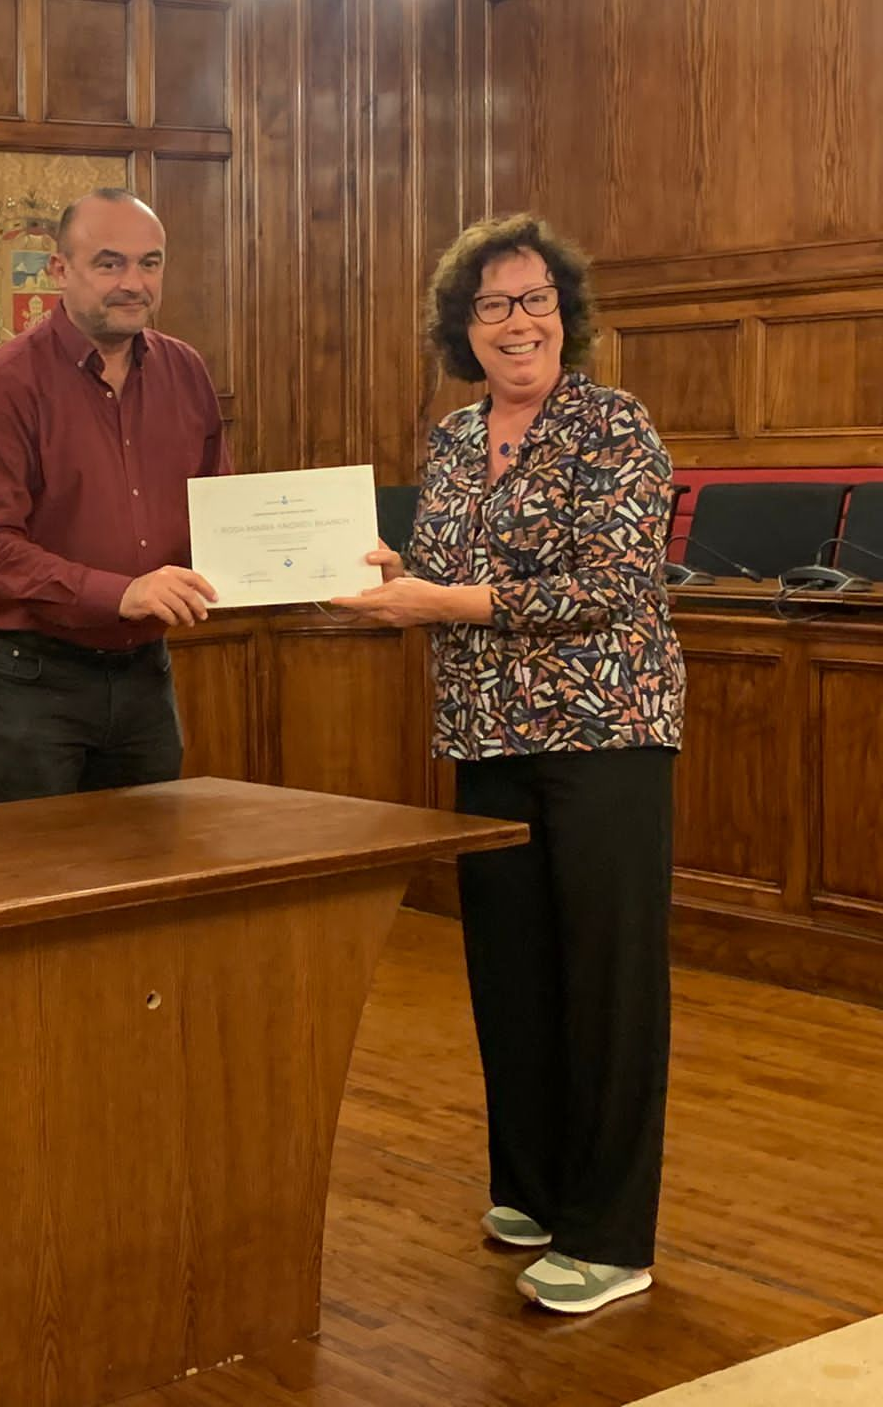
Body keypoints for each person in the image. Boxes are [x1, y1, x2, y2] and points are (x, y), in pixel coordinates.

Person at [332, 212, 684, 1316]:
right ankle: (531, 1188)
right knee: (511, 971)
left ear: (565, 319)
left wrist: (446, 600)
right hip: (484, 734)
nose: (516, 322)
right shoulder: (448, 438)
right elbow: (434, 569)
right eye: (492, 306)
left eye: (534, 301)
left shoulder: (611, 425)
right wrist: (386, 575)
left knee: (607, 984)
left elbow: (612, 585)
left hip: (603, 733)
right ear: (462, 327)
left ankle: (612, 1234)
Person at [0, 188, 230, 804]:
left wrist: (330, 559)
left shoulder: (186, 372)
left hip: (144, 674)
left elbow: (222, 515)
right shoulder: (5, 383)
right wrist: (122, 592)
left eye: (150, 263)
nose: (134, 282)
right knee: (40, 883)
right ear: (59, 271)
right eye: (110, 263)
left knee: (147, 876)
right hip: (33, 678)